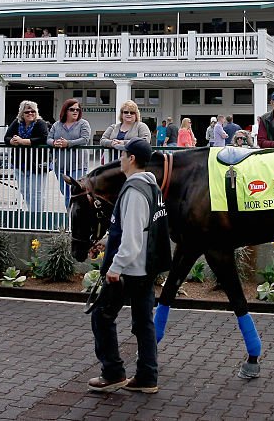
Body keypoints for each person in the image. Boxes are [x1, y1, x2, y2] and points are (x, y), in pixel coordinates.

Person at [87, 138, 160, 394]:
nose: (120, 159)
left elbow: (131, 238)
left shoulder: (134, 191)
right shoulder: (151, 187)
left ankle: (113, 373)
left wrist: (115, 267)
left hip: (129, 269)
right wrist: (107, 241)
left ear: (131, 158)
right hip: (145, 267)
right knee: (143, 323)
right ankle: (147, 377)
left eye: (123, 155)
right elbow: (137, 227)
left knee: (102, 316)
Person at [4, 101, 49, 215]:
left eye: (32, 111)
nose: (30, 113)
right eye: (27, 112)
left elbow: (43, 138)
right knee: (25, 191)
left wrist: (23, 141)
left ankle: (38, 216)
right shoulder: (17, 123)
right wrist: (12, 141)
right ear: (22, 114)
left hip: (37, 164)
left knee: (37, 192)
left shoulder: (40, 123)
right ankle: (31, 213)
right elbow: (6, 137)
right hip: (20, 164)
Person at [49, 99, 92, 208]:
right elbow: (48, 139)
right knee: (66, 192)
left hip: (78, 164)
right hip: (60, 165)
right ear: (65, 110)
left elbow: (85, 139)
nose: (75, 111)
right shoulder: (57, 125)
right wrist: (54, 142)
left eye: (78, 109)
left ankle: (76, 215)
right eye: (72, 109)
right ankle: (69, 215)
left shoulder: (83, 123)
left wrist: (68, 143)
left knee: (76, 191)